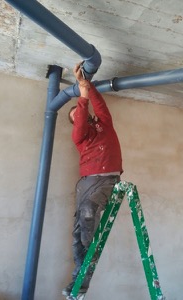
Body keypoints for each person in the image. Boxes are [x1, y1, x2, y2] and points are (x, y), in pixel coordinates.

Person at [62, 63, 123, 297]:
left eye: (79, 111)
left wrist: (84, 86)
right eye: (74, 115)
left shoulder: (103, 124)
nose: (78, 114)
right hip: (86, 182)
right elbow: (78, 125)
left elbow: (99, 105)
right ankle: (79, 281)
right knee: (78, 232)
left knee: (88, 213)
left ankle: (90, 257)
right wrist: (82, 98)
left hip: (106, 179)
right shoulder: (80, 137)